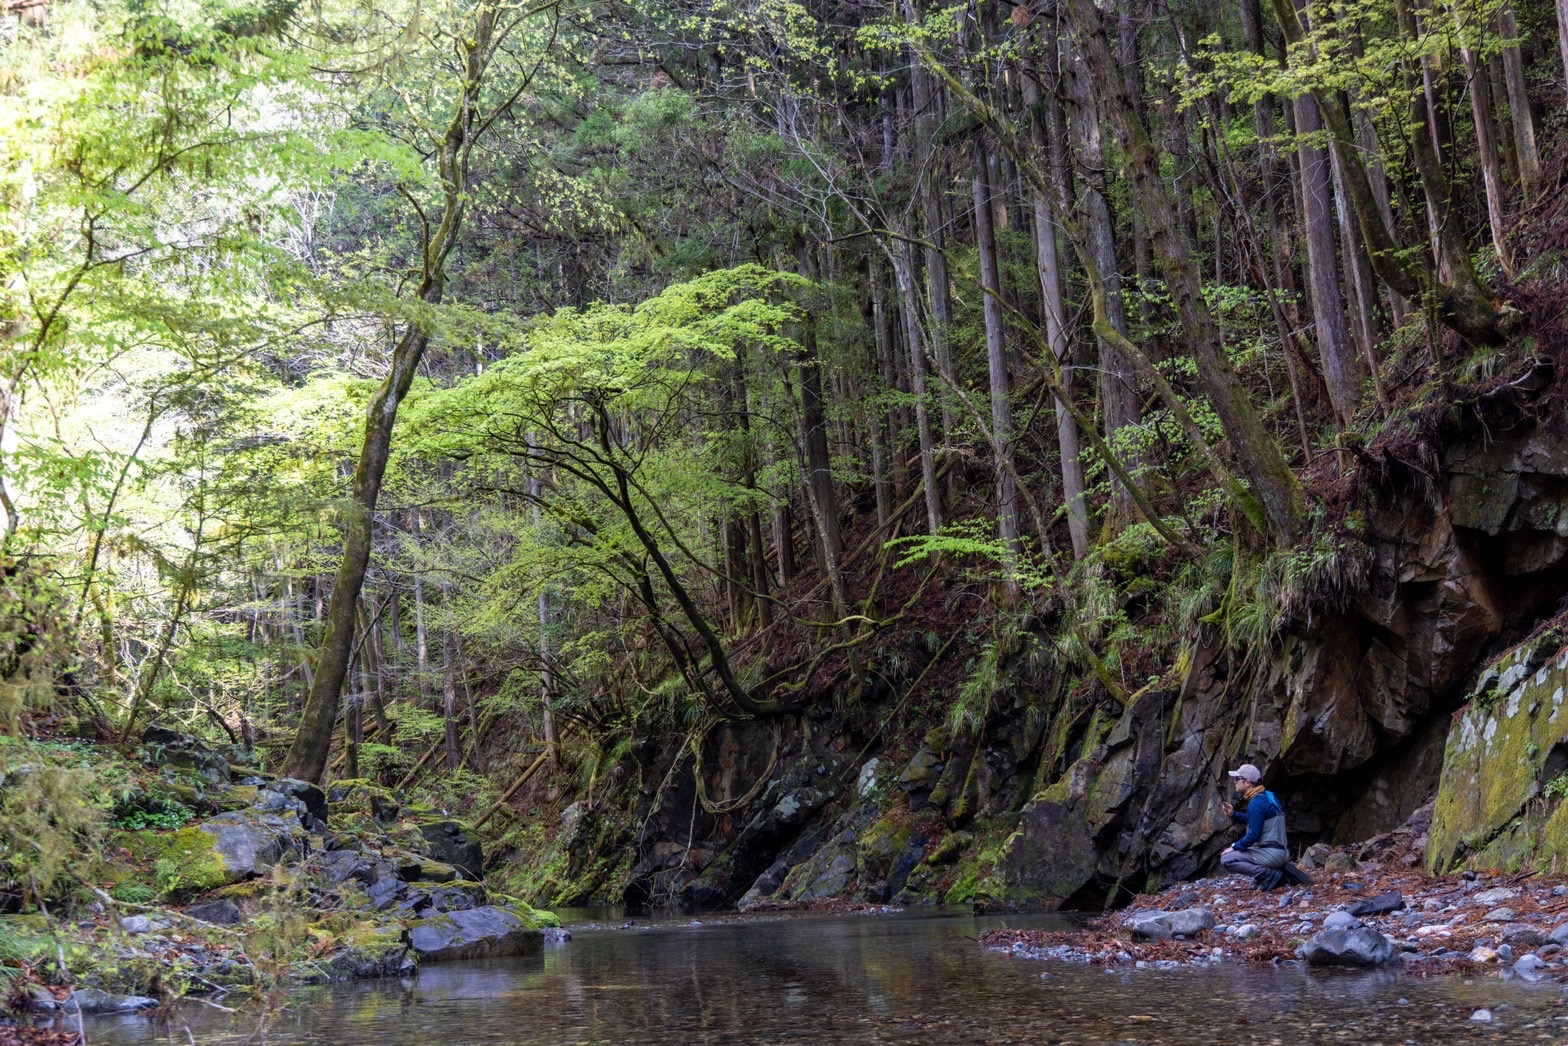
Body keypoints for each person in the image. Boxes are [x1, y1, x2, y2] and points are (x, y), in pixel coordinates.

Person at [1219, 763, 1308, 891]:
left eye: (1237, 779)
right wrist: (1234, 814)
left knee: (1227, 859)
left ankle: (1268, 875)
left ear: (1247, 783)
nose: (1235, 782)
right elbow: (1255, 820)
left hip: (1270, 854)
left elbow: (1253, 835)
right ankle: (1274, 871)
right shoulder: (1268, 796)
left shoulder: (1256, 803)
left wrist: (1234, 847)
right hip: (1282, 852)